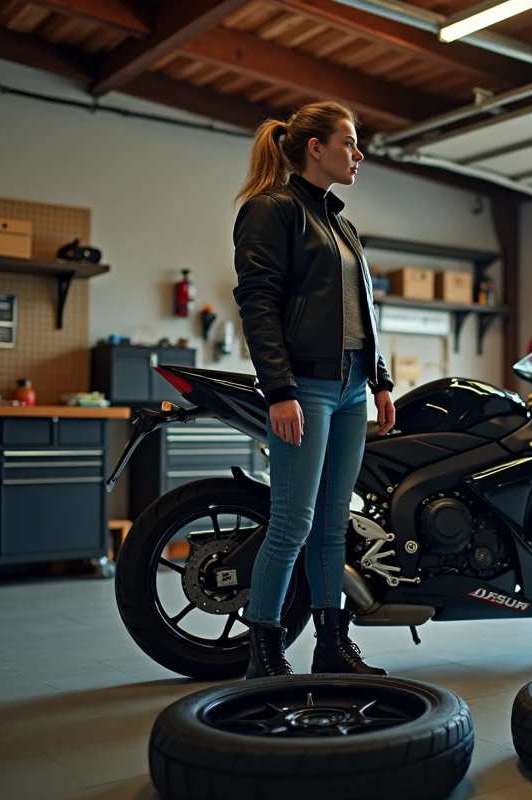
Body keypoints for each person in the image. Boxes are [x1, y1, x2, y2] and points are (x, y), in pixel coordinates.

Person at [232, 101, 396, 679]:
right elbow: (258, 301)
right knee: (292, 521)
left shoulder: (341, 223)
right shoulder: (272, 210)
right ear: (314, 148)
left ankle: (332, 645)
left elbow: (363, 311)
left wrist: (380, 381)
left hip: (353, 388)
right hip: (306, 386)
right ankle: (265, 652)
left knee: (332, 524)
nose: (359, 154)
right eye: (349, 143)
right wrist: (279, 389)